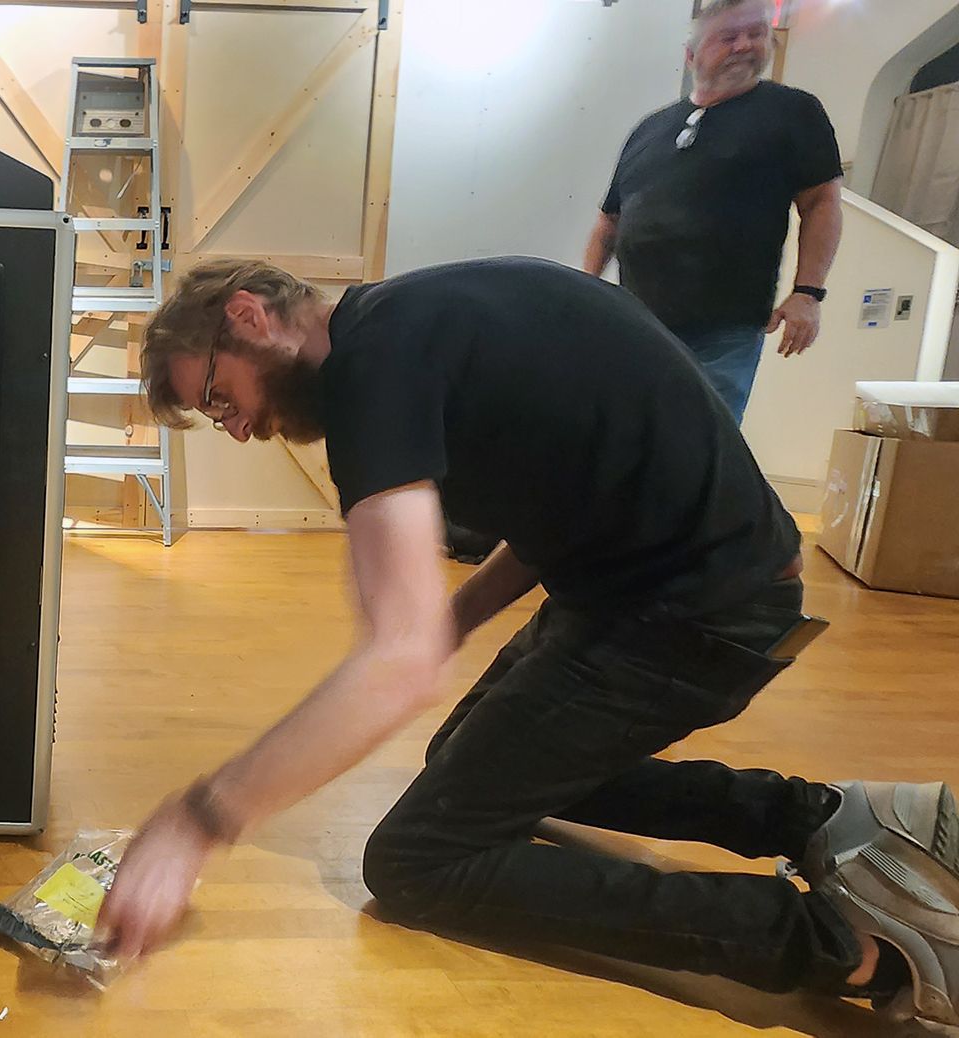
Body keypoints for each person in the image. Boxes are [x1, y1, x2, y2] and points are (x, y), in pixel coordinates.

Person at [95, 256, 959, 1026]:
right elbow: (558, 493)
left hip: (696, 614)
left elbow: (396, 666)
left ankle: (846, 943)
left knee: (418, 862)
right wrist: (454, 620)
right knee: (463, 755)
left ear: (249, 316)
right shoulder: (415, 320)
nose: (238, 428)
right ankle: (828, 816)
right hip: (669, 585)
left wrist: (197, 822)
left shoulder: (372, 374)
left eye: (218, 398)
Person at [583, 0, 843, 425]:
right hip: (637, 328)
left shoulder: (793, 112)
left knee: (703, 446)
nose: (744, 45)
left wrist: (808, 293)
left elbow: (821, 202)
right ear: (691, 55)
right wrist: (584, 293)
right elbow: (608, 224)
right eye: (728, 37)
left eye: (756, 34)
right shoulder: (650, 130)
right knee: (626, 440)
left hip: (724, 331)